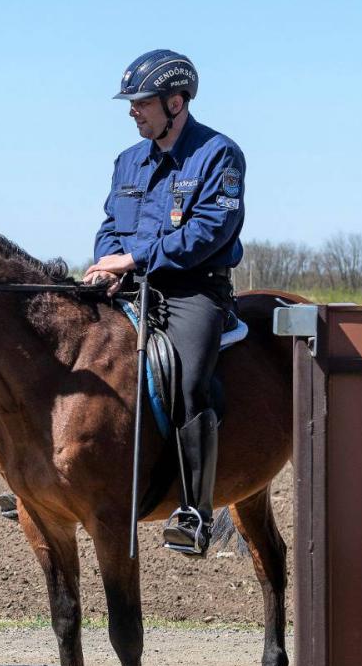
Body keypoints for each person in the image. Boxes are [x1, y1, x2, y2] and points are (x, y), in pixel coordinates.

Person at [82, 49, 245, 557]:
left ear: (176, 102)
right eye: (131, 103)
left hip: (193, 288)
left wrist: (131, 259)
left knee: (189, 379)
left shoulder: (219, 154)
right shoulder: (128, 160)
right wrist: (105, 264)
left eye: (142, 102)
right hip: (127, 284)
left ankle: (195, 511)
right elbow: (111, 224)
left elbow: (207, 234)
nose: (133, 111)